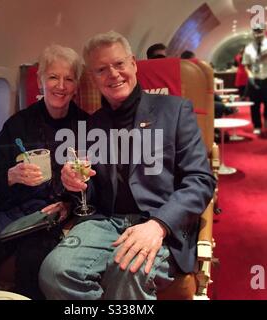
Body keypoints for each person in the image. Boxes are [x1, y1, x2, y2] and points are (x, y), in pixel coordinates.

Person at [39, 31, 216, 300]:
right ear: (93, 77)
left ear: (133, 63)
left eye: (119, 64)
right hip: (105, 222)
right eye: (101, 69)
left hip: (159, 220)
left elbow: (201, 180)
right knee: (54, 272)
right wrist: (72, 185)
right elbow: (89, 193)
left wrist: (159, 225)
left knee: (127, 270)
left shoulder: (175, 110)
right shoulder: (91, 125)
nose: (113, 74)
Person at [0, 44, 88, 299]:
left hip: (47, 216)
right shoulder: (17, 125)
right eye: (53, 77)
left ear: (76, 86)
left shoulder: (86, 126)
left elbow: (94, 185)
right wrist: (10, 176)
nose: (60, 86)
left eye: (68, 79)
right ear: (41, 80)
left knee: (32, 264)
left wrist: (66, 205)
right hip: (11, 211)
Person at [243, 25, 267, 134]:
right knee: (254, 103)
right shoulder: (249, 47)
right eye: (255, 31)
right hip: (255, 77)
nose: (258, 33)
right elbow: (246, 65)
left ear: (264, 31)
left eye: (260, 31)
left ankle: (266, 117)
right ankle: (257, 125)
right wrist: (250, 76)